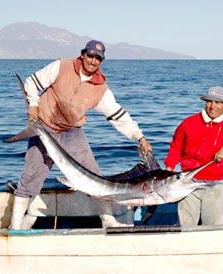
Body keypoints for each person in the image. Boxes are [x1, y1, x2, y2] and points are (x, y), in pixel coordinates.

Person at [11, 40, 152, 230]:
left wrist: (140, 137)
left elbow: (117, 114)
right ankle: (16, 226)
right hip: (44, 126)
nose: (93, 61)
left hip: (71, 132)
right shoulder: (61, 66)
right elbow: (31, 83)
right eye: (91, 55)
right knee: (30, 176)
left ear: (101, 61)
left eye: (98, 59)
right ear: (83, 54)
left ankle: (107, 218)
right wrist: (33, 105)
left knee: (94, 177)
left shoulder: (100, 88)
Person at [164, 86, 223, 227]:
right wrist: (169, 166)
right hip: (187, 182)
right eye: (209, 102)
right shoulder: (188, 123)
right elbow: (176, 147)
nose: (212, 106)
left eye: (218, 102)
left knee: (209, 225)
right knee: (186, 225)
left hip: (215, 184)